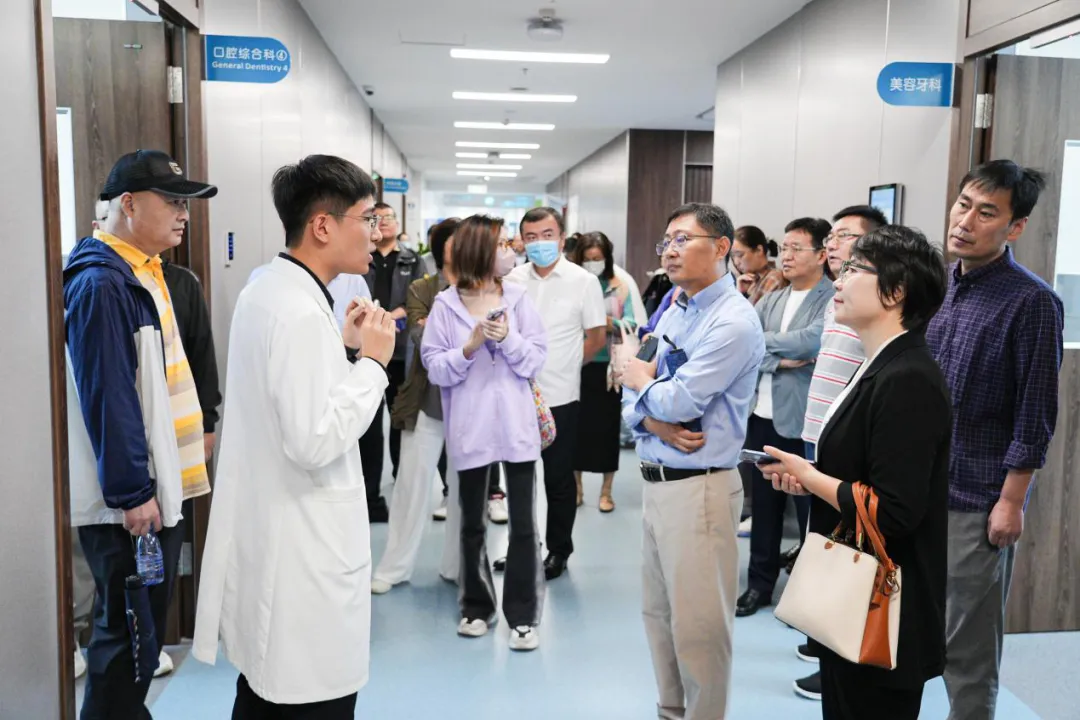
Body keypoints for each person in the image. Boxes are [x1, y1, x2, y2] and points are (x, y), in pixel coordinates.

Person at [192, 155, 397, 717]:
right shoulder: (299, 311)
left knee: (265, 693)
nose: (376, 231)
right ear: (323, 225)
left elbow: (297, 397)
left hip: (282, 538)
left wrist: (346, 349)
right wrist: (373, 364)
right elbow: (313, 439)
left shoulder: (270, 289)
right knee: (306, 698)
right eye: (367, 218)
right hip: (304, 552)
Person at [760, 225, 952, 720]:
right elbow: (859, 469)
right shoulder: (876, 364)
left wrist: (810, 477)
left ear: (896, 291)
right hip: (850, 598)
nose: (838, 281)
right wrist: (808, 475)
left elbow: (895, 510)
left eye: (853, 269)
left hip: (883, 607)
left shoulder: (909, 378)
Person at [65, 149, 216, 717]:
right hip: (134, 500)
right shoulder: (102, 283)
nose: (184, 214)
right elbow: (109, 394)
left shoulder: (145, 272)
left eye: (186, 204)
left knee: (139, 637)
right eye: (173, 201)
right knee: (125, 638)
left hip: (155, 489)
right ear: (128, 204)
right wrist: (133, 493)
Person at [925, 160, 1063, 720]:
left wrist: (1011, 501)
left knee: (969, 646)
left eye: (986, 213)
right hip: (919, 489)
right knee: (912, 629)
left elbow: (1036, 411)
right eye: (963, 205)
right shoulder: (938, 285)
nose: (965, 221)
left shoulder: (1032, 302)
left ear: (1015, 227)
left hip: (976, 497)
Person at [620, 203, 764, 720]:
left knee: (700, 630)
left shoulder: (733, 322)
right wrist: (652, 416)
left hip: (699, 488)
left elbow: (679, 400)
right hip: (658, 481)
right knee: (659, 616)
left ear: (722, 247)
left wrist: (644, 391)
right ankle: (671, 711)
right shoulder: (676, 308)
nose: (670, 251)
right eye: (667, 241)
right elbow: (633, 389)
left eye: (683, 239)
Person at [422, 215, 548, 650]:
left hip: (517, 428)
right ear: (481, 250)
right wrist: (469, 347)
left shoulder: (518, 298)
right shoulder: (445, 306)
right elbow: (435, 368)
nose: (511, 251)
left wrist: (508, 339)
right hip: (470, 428)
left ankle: (523, 617)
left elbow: (535, 359)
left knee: (524, 526)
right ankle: (476, 607)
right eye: (503, 244)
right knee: (472, 524)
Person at [790, 204, 887, 700]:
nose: (832, 244)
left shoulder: (871, 306)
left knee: (844, 548)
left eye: (845, 237)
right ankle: (820, 642)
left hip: (845, 443)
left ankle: (837, 653)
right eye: (831, 236)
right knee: (820, 542)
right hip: (818, 434)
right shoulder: (837, 298)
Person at [737, 217, 833, 619]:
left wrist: (767, 348)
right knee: (764, 506)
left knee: (811, 513)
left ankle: (807, 597)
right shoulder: (773, 297)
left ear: (822, 255)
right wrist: (781, 360)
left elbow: (812, 341)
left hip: (804, 420)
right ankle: (759, 585)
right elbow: (745, 341)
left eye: (797, 248)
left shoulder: (831, 298)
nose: (787, 256)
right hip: (761, 415)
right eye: (785, 248)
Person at [507, 208, 606, 580]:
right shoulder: (512, 279)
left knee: (558, 479)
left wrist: (567, 367)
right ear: (522, 241)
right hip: (515, 394)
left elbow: (596, 336)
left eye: (547, 235)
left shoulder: (583, 281)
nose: (539, 243)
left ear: (562, 238)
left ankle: (558, 550)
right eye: (531, 237)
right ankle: (522, 548)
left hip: (561, 396)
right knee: (519, 478)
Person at [374, 217, 464, 594]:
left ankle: (457, 566)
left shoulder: (485, 287)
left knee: (465, 490)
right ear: (442, 248)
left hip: (470, 406)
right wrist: (463, 336)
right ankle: (394, 567)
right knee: (411, 485)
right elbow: (421, 337)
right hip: (426, 401)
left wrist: (444, 330)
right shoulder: (422, 287)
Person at [359, 202, 425, 521]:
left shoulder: (412, 259)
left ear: (398, 224)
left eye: (389, 218)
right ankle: (370, 495)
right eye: (377, 218)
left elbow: (419, 298)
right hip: (367, 350)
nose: (383, 223)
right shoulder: (362, 256)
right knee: (369, 426)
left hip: (400, 353)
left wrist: (388, 316)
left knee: (400, 422)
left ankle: (402, 486)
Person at [569, 231, 637, 512]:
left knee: (607, 432)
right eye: (587, 259)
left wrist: (608, 323)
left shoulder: (619, 287)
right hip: (577, 364)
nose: (592, 263)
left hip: (609, 369)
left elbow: (632, 322)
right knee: (576, 430)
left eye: (597, 259)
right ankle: (577, 488)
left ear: (607, 258)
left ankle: (606, 492)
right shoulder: (572, 285)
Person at [731, 225, 786, 305]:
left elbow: (752, 312)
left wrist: (741, 295)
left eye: (740, 255)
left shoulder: (774, 278)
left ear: (759, 250)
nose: (736, 262)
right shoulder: (754, 279)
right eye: (733, 256)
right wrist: (742, 292)